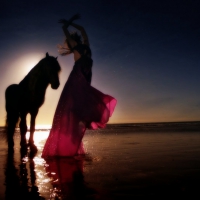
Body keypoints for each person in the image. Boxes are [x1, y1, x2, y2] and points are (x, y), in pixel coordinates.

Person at [42, 14, 117, 157]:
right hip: (78, 77)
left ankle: (72, 142)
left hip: (85, 76)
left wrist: (71, 21)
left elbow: (82, 30)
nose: (71, 41)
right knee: (73, 108)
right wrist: (69, 23)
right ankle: (67, 144)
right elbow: (69, 30)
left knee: (79, 108)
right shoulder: (79, 46)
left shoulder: (85, 45)